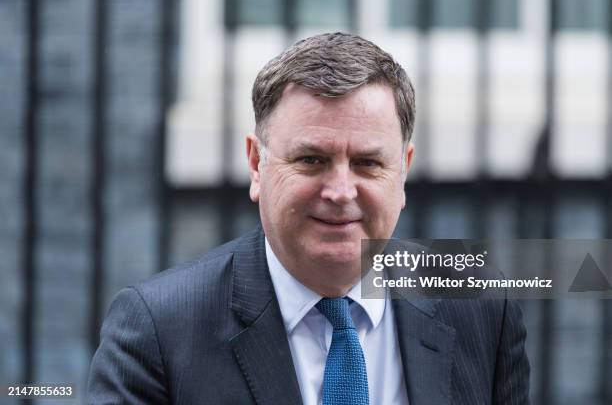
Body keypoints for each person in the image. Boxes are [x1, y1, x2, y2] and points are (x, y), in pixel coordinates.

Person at [87, 32, 530, 404]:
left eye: (368, 163)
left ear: (403, 170)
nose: (340, 192)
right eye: (312, 160)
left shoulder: (481, 307)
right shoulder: (159, 329)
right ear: (256, 165)